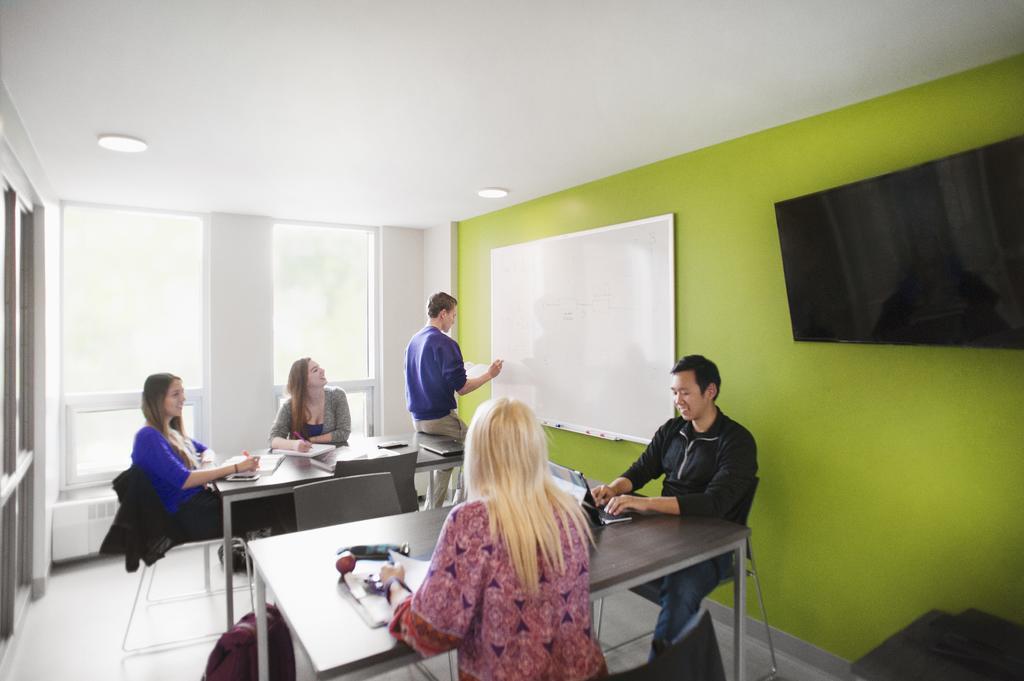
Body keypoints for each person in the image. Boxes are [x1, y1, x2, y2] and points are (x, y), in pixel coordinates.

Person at [380, 398, 606, 681]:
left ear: (478, 454)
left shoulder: (472, 521)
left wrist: (394, 585)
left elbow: (430, 631)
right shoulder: (568, 511)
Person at [591, 354, 757, 651]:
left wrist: (644, 504)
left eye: (685, 392)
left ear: (711, 391)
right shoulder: (672, 429)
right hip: (665, 533)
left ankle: (664, 666)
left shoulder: (737, 441)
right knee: (592, 547)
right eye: (674, 392)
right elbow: (642, 469)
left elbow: (713, 503)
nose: (678, 400)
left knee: (680, 589)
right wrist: (614, 488)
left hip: (713, 545)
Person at [131, 373, 283, 541]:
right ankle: (258, 557)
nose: (183, 398)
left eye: (182, 392)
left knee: (277, 502)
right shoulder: (148, 437)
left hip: (197, 506)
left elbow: (206, 450)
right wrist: (236, 468)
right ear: (157, 400)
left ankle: (246, 555)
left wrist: (205, 465)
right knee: (280, 506)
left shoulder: (171, 432)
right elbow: (184, 479)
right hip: (187, 516)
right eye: (176, 394)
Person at [404, 292, 502, 507]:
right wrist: (489, 374)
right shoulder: (445, 343)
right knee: (478, 450)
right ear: (443, 313)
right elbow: (464, 388)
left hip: (418, 420)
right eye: (453, 316)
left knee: (446, 463)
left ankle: (432, 508)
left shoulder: (415, 341)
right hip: (440, 419)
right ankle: (462, 507)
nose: (453, 321)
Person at [269, 358, 351, 452]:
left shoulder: (337, 395)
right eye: (315, 370)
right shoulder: (289, 406)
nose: (322, 370)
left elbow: (344, 433)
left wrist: (311, 440)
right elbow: (273, 439)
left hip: (335, 459)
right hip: (302, 462)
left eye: (319, 367)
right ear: (303, 381)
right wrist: (294, 444)